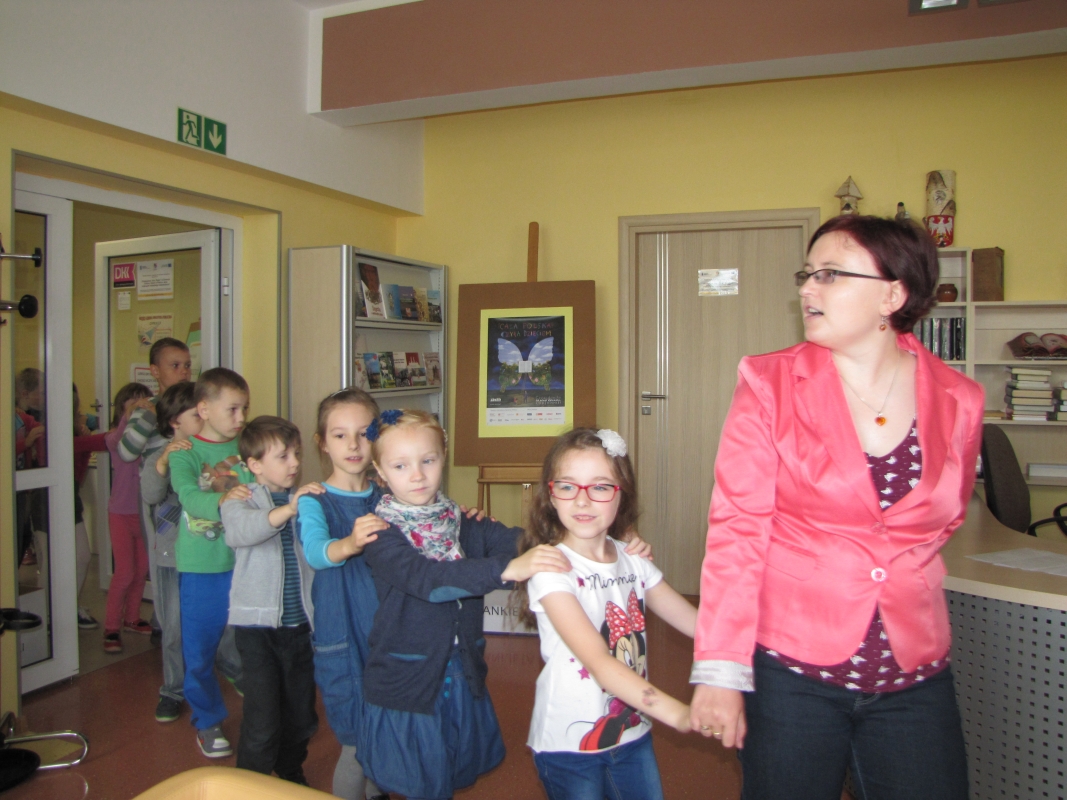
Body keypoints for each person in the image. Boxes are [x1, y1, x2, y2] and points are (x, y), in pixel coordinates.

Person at [689, 215, 983, 800]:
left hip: (914, 669)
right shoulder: (769, 383)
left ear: (892, 295)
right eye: (807, 274)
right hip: (792, 669)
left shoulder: (960, 398)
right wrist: (721, 670)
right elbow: (737, 531)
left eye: (830, 274)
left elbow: (947, 517)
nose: (807, 288)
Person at [355, 409, 572, 800]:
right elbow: (429, 581)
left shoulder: (461, 521)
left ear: (444, 458)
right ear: (381, 472)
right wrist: (507, 569)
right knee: (421, 780)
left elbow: (520, 541)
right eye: (401, 466)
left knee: (446, 772)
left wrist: (597, 542)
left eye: (428, 460)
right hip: (408, 683)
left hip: (459, 671)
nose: (417, 475)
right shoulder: (379, 533)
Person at [517, 428, 695, 800]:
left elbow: (696, 624)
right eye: (568, 486)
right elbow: (599, 662)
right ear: (551, 494)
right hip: (569, 744)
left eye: (599, 487)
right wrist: (678, 713)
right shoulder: (552, 570)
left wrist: (758, 643)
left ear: (621, 493)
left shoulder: (634, 559)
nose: (582, 501)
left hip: (632, 730)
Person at [295, 388, 389, 800]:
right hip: (343, 638)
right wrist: (349, 543)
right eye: (339, 435)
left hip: (386, 636)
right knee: (356, 744)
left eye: (364, 433)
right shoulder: (315, 500)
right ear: (322, 443)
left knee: (385, 732)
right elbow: (317, 552)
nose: (353, 445)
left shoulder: (388, 495)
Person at [220, 416, 324, 784]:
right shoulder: (240, 500)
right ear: (255, 465)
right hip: (257, 630)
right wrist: (289, 510)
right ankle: (250, 785)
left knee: (301, 716)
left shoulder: (306, 501)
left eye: (296, 454)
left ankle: (290, 769)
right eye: (283, 456)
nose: (295, 463)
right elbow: (242, 532)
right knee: (262, 719)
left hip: (300, 630)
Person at [169, 367, 253, 758]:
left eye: (244, 409)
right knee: (200, 650)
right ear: (203, 409)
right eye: (233, 409)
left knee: (254, 641)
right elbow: (189, 496)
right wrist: (225, 499)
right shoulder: (185, 452)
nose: (241, 418)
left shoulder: (247, 447)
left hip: (246, 562)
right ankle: (207, 720)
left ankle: (263, 708)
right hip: (202, 567)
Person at [116, 338, 194, 642]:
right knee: (161, 555)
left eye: (187, 365)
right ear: (155, 371)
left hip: (187, 491)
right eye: (175, 365)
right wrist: (146, 415)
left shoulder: (194, 405)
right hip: (158, 496)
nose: (183, 371)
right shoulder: (147, 409)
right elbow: (126, 452)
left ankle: (182, 619)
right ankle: (163, 621)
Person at [140, 381, 200, 722]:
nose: (205, 419)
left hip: (206, 553)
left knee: (220, 625)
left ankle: (225, 672)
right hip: (171, 557)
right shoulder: (158, 456)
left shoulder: (207, 452)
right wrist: (164, 460)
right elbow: (150, 494)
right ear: (176, 420)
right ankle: (173, 690)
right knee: (173, 628)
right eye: (197, 415)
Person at [102, 382, 156, 653]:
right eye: (132, 400)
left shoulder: (149, 437)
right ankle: (111, 626)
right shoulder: (114, 437)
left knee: (141, 571)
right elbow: (117, 441)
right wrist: (128, 417)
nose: (139, 404)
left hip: (143, 515)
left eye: (143, 399)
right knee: (124, 572)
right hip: (120, 515)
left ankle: (132, 618)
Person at [73, 384, 108, 629]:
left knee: (79, 556)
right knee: (78, 556)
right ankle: (60, 610)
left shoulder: (79, 422)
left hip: (71, 496)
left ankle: (68, 606)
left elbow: (96, 422)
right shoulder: (47, 426)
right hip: (48, 500)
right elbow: (84, 445)